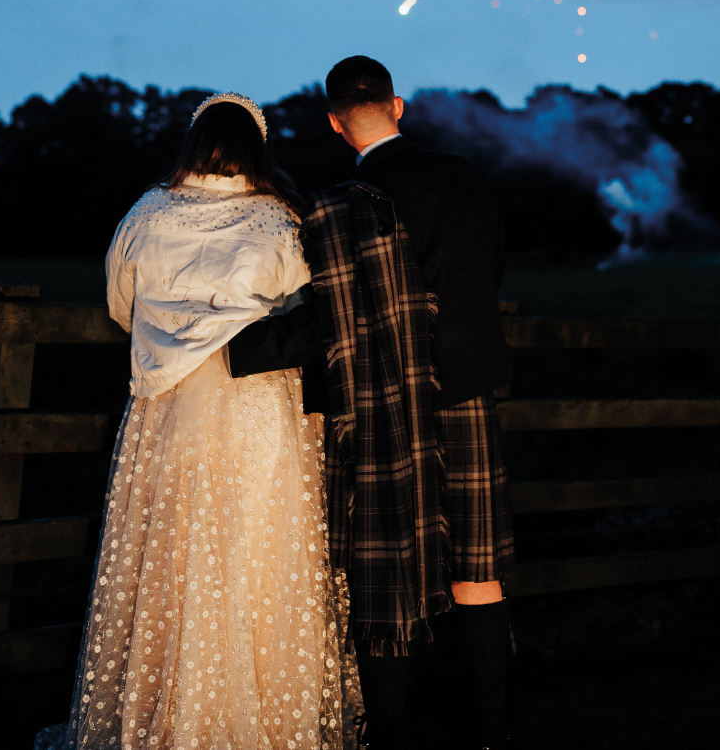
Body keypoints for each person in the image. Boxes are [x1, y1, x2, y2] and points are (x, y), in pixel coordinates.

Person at [228, 58, 515, 750]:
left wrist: (230, 351)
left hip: (384, 400)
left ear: (334, 121)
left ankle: (388, 735)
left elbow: (334, 321)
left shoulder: (341, 205)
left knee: (384, 570)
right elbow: (490, 271)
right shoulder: (467, 178)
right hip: (469, 392)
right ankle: (495, 736)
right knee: (478, 572)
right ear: (398, 104)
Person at [60, 93, 355, 750]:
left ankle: (163, 715)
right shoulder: (280, 219)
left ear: (192, 144)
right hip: (257, 402)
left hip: (171, 406)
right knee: (256, 549)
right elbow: (307, 310)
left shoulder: (146, 213)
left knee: (170, 554)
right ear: (259, 148)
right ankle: (267, 719)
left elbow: (119, 303)